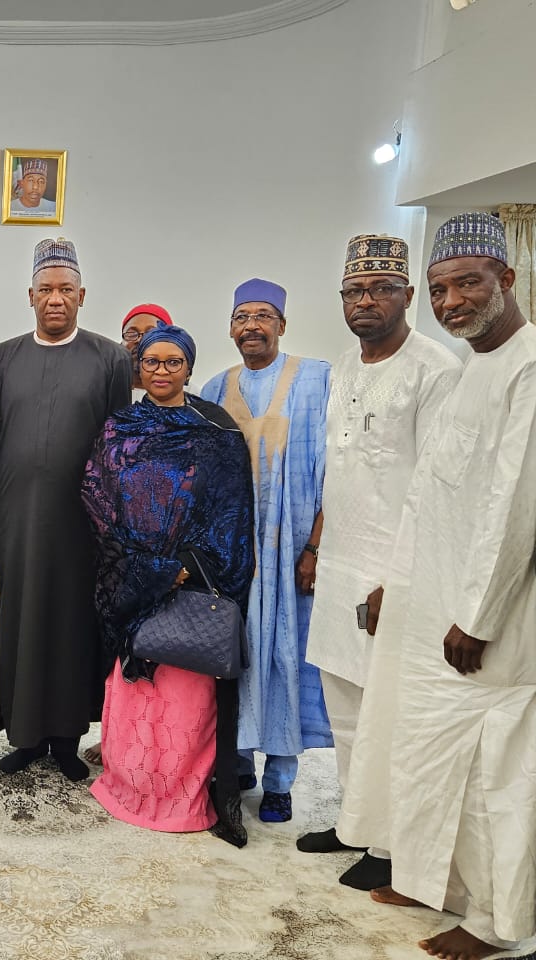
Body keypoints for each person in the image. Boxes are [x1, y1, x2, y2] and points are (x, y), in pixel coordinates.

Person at [339, 213, 536, 960]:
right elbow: (429, 492)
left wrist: (479, 616)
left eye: (467, 284)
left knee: (494, 776)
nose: (452, 301)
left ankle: (495, 922)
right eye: (441, 289)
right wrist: (397, 580)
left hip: (488, 620)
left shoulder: (526, 367)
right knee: (424, 749)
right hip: (430, 603)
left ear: (506, 281)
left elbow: (515, 505)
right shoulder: (469, 369)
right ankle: (436, 885)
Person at [295, 236, 460, 888]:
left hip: (396, 577)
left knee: (389, 711)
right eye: (354, 291)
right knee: (345, 708)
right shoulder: (343, 368)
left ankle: (391, 848)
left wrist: (400, 580)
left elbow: (435, 489)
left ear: (408, 296)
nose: (366, 300)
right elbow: (338, 471)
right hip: (338, 565)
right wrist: (314, 547)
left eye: (381, 289)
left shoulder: (434, 371)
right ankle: (353, 824)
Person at [83, 325, 255, 847]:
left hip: (192, 582)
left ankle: (183, 797)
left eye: (172, 362)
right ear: (139, 367)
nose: (161, 371)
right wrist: (143, 565)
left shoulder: (216, 429)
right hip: (134, 579)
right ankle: (126, 786)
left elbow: (231, 508)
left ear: (188, 366)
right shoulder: (121, 425)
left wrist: (183, 565)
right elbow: (96, 492)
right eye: (151, 362)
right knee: (137, 696)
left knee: (185, 699)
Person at [0, 238, 131, 781]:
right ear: (29, 295)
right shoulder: (0, 358)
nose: (55, 299)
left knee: (72, 625)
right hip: (16, 518)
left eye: (65, 289)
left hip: (82, 522)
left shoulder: (110, 358)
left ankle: (66, 740)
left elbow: (120, 444)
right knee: (20, 623)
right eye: (45, 289)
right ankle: (24, 737)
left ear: (82, 295)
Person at [199, 277, 330, 823]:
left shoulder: (316, 380)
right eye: (241, 317)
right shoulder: (212, 388)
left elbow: (338, 472)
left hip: (289, 553)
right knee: (234, 655)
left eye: (263, 316)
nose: (251, 325)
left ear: (281, 324)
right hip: (230, 557)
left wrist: (316, 548)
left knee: (285, 657)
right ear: (230, 328)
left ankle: (280, 779)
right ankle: (238, 761)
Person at [121, 303, 173, 394]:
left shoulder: (189, 397)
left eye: (151, 333)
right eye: (132, 334)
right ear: (121, 344)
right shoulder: (104, 391)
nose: (140, 340)